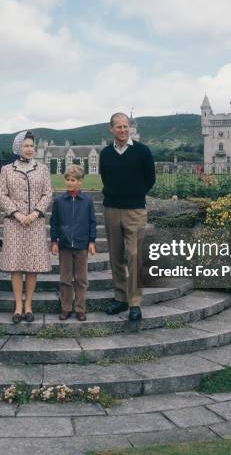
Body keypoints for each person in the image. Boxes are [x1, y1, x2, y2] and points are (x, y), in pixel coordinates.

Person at [99, 112, 155, 322]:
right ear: (111, 129)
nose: (122, 130)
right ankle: (120, 298)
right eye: (118, 127)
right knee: (115, 255)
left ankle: (135, 303)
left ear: (129, 128)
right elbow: (106, 178)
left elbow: (150, 178)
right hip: (112, 209)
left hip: (135, 211)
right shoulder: (105, 154)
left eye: (125, 126)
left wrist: (135, 194)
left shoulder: (142, 151)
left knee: (134, 255)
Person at [0, 131, 53, 323]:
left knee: (32, 266)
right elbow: (2, 195)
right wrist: (18, 214)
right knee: (15, 266)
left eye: (32, 146)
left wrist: (36, 213)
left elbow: (48, 193)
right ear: (17, 147)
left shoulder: (42, 169)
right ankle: (18, 306)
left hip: (35, 223)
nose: (30, 149)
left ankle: (28, 304)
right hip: (14, 223)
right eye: (26, 146)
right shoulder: (6, 169)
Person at [50, 164, 97, 321]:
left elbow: (92, 222)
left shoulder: (87, 201)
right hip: (64, 246)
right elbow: (54, 222)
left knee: (81, 279)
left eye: (73, 180)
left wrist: (91, 241)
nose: (70, 182)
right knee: (65, 279)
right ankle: (66, 308)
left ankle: (80, 308)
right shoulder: (58, 201)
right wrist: (54, 241)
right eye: (68, 179)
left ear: (80, 181)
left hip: (82, 245)